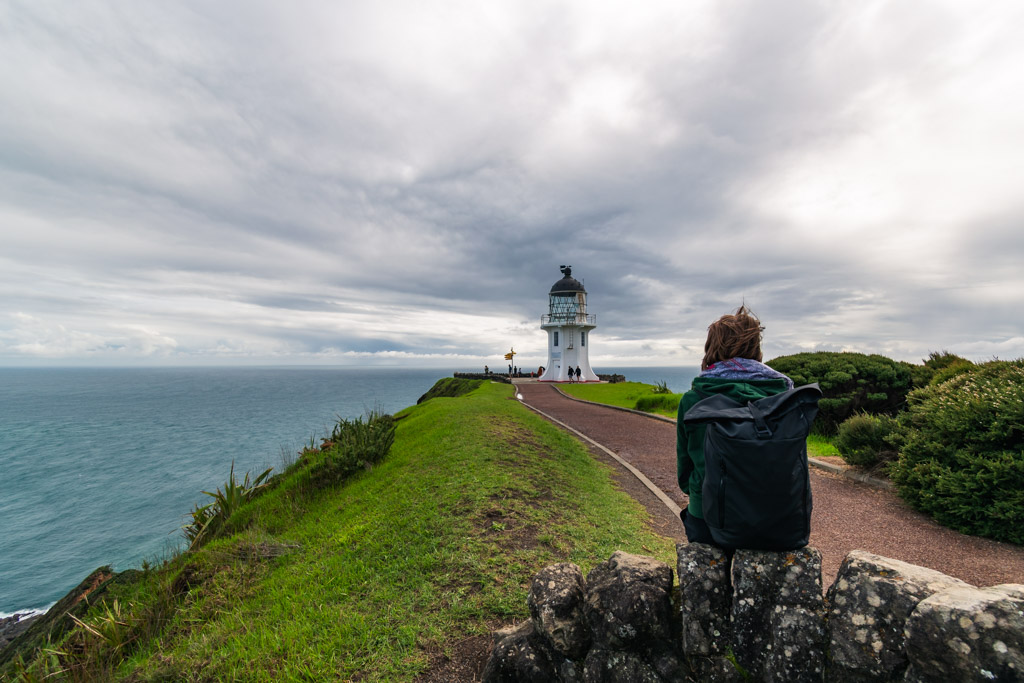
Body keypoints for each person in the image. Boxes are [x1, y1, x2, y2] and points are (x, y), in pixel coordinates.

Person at [676, 305, 794, 546]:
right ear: (756, 348)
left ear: (712, 348)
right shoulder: (784, 397)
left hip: (708, 515)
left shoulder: (693, 399)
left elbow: (684, 470)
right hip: (775, 516)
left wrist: (699, 491)